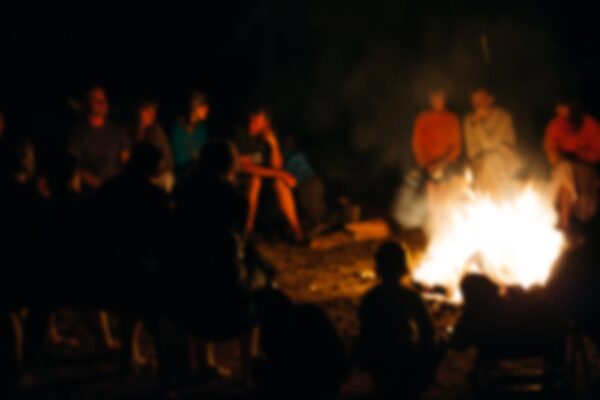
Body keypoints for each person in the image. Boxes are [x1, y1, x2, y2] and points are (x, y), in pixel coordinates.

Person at [356, 241, 437, 398]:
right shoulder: (410, 297)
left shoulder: (370, 298)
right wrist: (425, 358)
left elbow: (365, 333)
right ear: (404, 268)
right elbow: (427, 330)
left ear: (378, 269)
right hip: (404, 359)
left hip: (378, 361)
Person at [253, 288, 348, 399]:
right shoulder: (311, 312)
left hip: (309, 381)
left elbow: (284, 366)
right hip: (330, 377)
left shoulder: (273, 332)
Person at [237, 109, 303, 242]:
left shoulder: (271, 134)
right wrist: (281, 173)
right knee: (255, 181)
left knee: (280, 183)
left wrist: (273, 145)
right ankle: (247, 232)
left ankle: (297, 233)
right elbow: (246, 167)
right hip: (244, 177)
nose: (251, 125)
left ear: (266, 124)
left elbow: (277, 165)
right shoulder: (241, 133)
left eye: (256, 123)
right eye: (250, 121)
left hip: (265, 177)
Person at [544, 97, 600, 231]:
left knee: (565, 172)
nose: (559, 110)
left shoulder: (590, 125)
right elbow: (551, 149)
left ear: (572, 107)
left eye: (563, 107)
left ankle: (564, 222)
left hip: (585, 169)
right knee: (563, 171)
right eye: (558, 107)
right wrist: (559, 158)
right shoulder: (555, 125)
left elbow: (597, 153)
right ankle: (564, 221)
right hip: (563, 167)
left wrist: (578, 152)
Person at [67, 86, 130, 190]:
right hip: (92, 191)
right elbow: (75, 167)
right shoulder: (78, 133)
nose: (103, 103)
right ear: (87, 104)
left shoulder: (117, 131)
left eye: (104, 99)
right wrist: (101, 187)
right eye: (97, 101)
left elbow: (126, 161)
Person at [464, 87, 521, 198]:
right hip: (481, 165)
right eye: (474, 101)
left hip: (505, 163)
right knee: (489, 165)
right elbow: (472, 150)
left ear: (490, 99)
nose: (477, 104)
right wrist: (477, 123)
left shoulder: (504, 117)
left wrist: (478, 124)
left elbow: (490, 144)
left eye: (480, 99)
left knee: (493, 163)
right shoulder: (470, 120)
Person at [282, 133, 329, 236]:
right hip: (300, 183)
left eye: (291, 140)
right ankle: (312, 227)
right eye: (286, 140)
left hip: (309, 181)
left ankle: (320, 225)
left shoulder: (297, 154)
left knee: (314, 205)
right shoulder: (283, 156)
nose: (289, 143)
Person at [130, 99, 175, 192]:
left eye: (154, 111)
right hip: (138, 176)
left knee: (168, 179)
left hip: (157, 174)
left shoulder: (157, 131)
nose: (152, 115)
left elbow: (168, 157)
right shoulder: (128, 132)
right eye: (148, 111)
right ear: (139, 111)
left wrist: (161, 169)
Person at [170, 91, 209, 180]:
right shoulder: (178, 129)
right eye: (204, 106)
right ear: (194, 108)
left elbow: (205, 154)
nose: (207, 109)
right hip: (183, 174)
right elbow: (180, 160)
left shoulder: (202, 129)